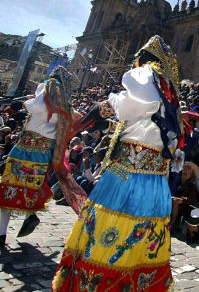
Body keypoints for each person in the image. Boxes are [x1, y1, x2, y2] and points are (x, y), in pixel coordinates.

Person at [52, 36, 183, 292]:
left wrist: (110, 100)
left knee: (107, 235)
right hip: (154, 180)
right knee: (141, 241)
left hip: (127, 176)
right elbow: (145, 125)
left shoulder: (146, 74)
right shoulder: (169, 92)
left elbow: (130, 108)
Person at [0, 68, 87, 247]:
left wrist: (33, 96)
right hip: (45, 150)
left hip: (26, 146)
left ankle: (1, 233)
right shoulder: (65, 104)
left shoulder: (45, 91)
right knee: (32, 184)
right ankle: (30, 215)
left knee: (11, 184)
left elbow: (33, 106)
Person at [170, 161, 199, 229]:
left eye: (187, 172)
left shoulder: (192, 185)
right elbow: (177, 195)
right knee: (170, 199)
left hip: (188, 205)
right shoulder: (180, 183)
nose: (184, 173)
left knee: (176, 202)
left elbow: (192, 200)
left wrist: (182, 200)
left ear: (190, 174)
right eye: (184, 171)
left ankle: (172, 223)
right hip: (181, 202)